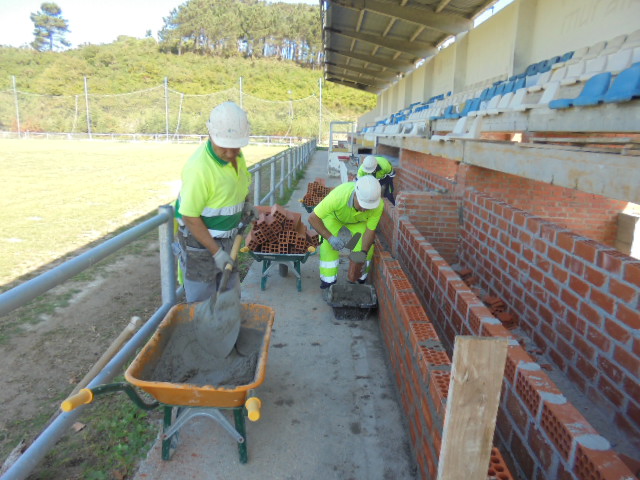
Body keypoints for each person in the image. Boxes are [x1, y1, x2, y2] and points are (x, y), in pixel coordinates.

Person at [173, 101, 253, 303]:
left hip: (228, 239)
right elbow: (189, 216)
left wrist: (246, 204)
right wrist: (216, 252)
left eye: (235, 147)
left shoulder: (237, 155)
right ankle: (204, 332)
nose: (229, 153)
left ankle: (228, 329)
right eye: (223, 147)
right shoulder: (199, 169)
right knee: (202, 299)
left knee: (229, 295)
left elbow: (239, 183)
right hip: (199, 244)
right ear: (211, 135)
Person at [308, 175, 384, 289]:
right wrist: (330, 238)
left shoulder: (378, 206)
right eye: (363, 205)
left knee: (363, 250)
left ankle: (359, 278)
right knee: (327, 246)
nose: (365, 209)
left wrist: (362, 254)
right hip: (335, 217)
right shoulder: (338, 197)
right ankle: (328, 281)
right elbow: (313, 218)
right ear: (355, 196)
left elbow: (370, 231)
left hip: (358, 222)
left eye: (369, 207)